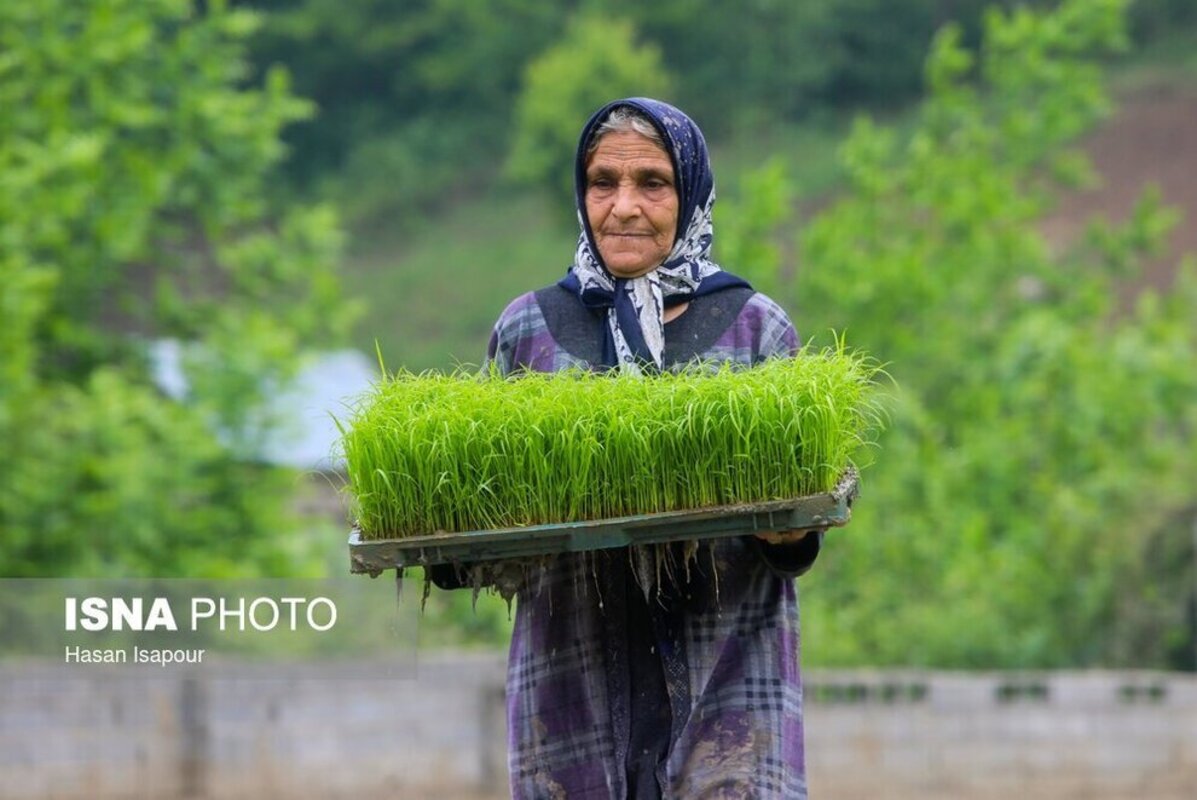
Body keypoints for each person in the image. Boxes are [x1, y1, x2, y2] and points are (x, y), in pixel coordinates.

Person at [436, 97, 821, 799]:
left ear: (691, 193)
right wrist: (442, 539)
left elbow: (792, 548)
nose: (623, 207)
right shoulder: (529, 332)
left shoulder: (753, 331)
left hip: (727, 687)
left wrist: (786, 526)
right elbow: (475, 539)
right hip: (570, 687)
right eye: (601, 182)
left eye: (651, 183)